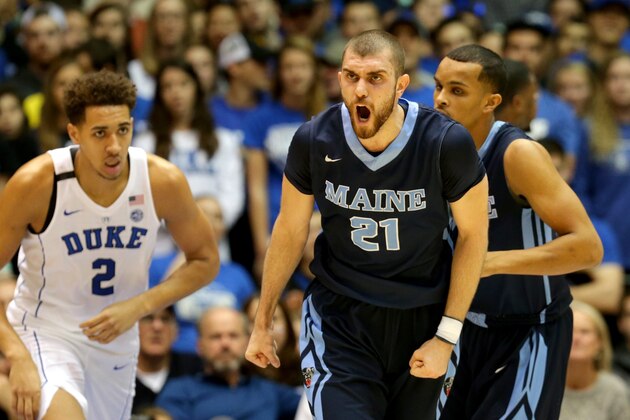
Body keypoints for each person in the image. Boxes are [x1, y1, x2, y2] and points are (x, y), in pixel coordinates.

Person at [246, 30, 489, 419]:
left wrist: (447, 335)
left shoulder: (446, 143)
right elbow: (289, 230)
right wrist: (263, 321)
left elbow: (475, 237)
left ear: (401, 85)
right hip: (341, 317)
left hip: (424, 314)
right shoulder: (313, 139)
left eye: (375, 77)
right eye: (350, 76)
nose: (360, 90)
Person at [0, 70, 219, 420]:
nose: (114, 146)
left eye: (122, 130)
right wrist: (16, 355)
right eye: (100, 133)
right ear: (74, 133)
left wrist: (139, 306)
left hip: (116, 343)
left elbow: (206, 261)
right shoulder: (35, 183)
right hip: (46, 333)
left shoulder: (162, 180)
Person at [433, 45, 603, 419]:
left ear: (490, 101)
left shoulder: (518, 154)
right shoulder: (433, 151)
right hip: (463, 329)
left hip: (529, 330)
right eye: (439, 87)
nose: (441, 100)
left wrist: (488, 262)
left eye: (457, 91)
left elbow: (588, 248)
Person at [156, 307, 301, 420]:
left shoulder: (268, 390)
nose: (225, 344)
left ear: (246, 342)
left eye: (233, 336)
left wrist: (308, 359)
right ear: (199, 345)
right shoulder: (179, 392)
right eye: (216, 337)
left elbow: (314, 397)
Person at [559, 300, 630, 420]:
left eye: (584, 332)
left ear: (600, 342)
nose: (576, 338)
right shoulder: (541, 387)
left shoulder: (615, 391)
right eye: (570, 331)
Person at [132, 306, 201, 414]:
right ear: (133, 329)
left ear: (176, 331)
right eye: (148, 319)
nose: (157, 327)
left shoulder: (196, 370)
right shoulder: (118, 373)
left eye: (165, 319)